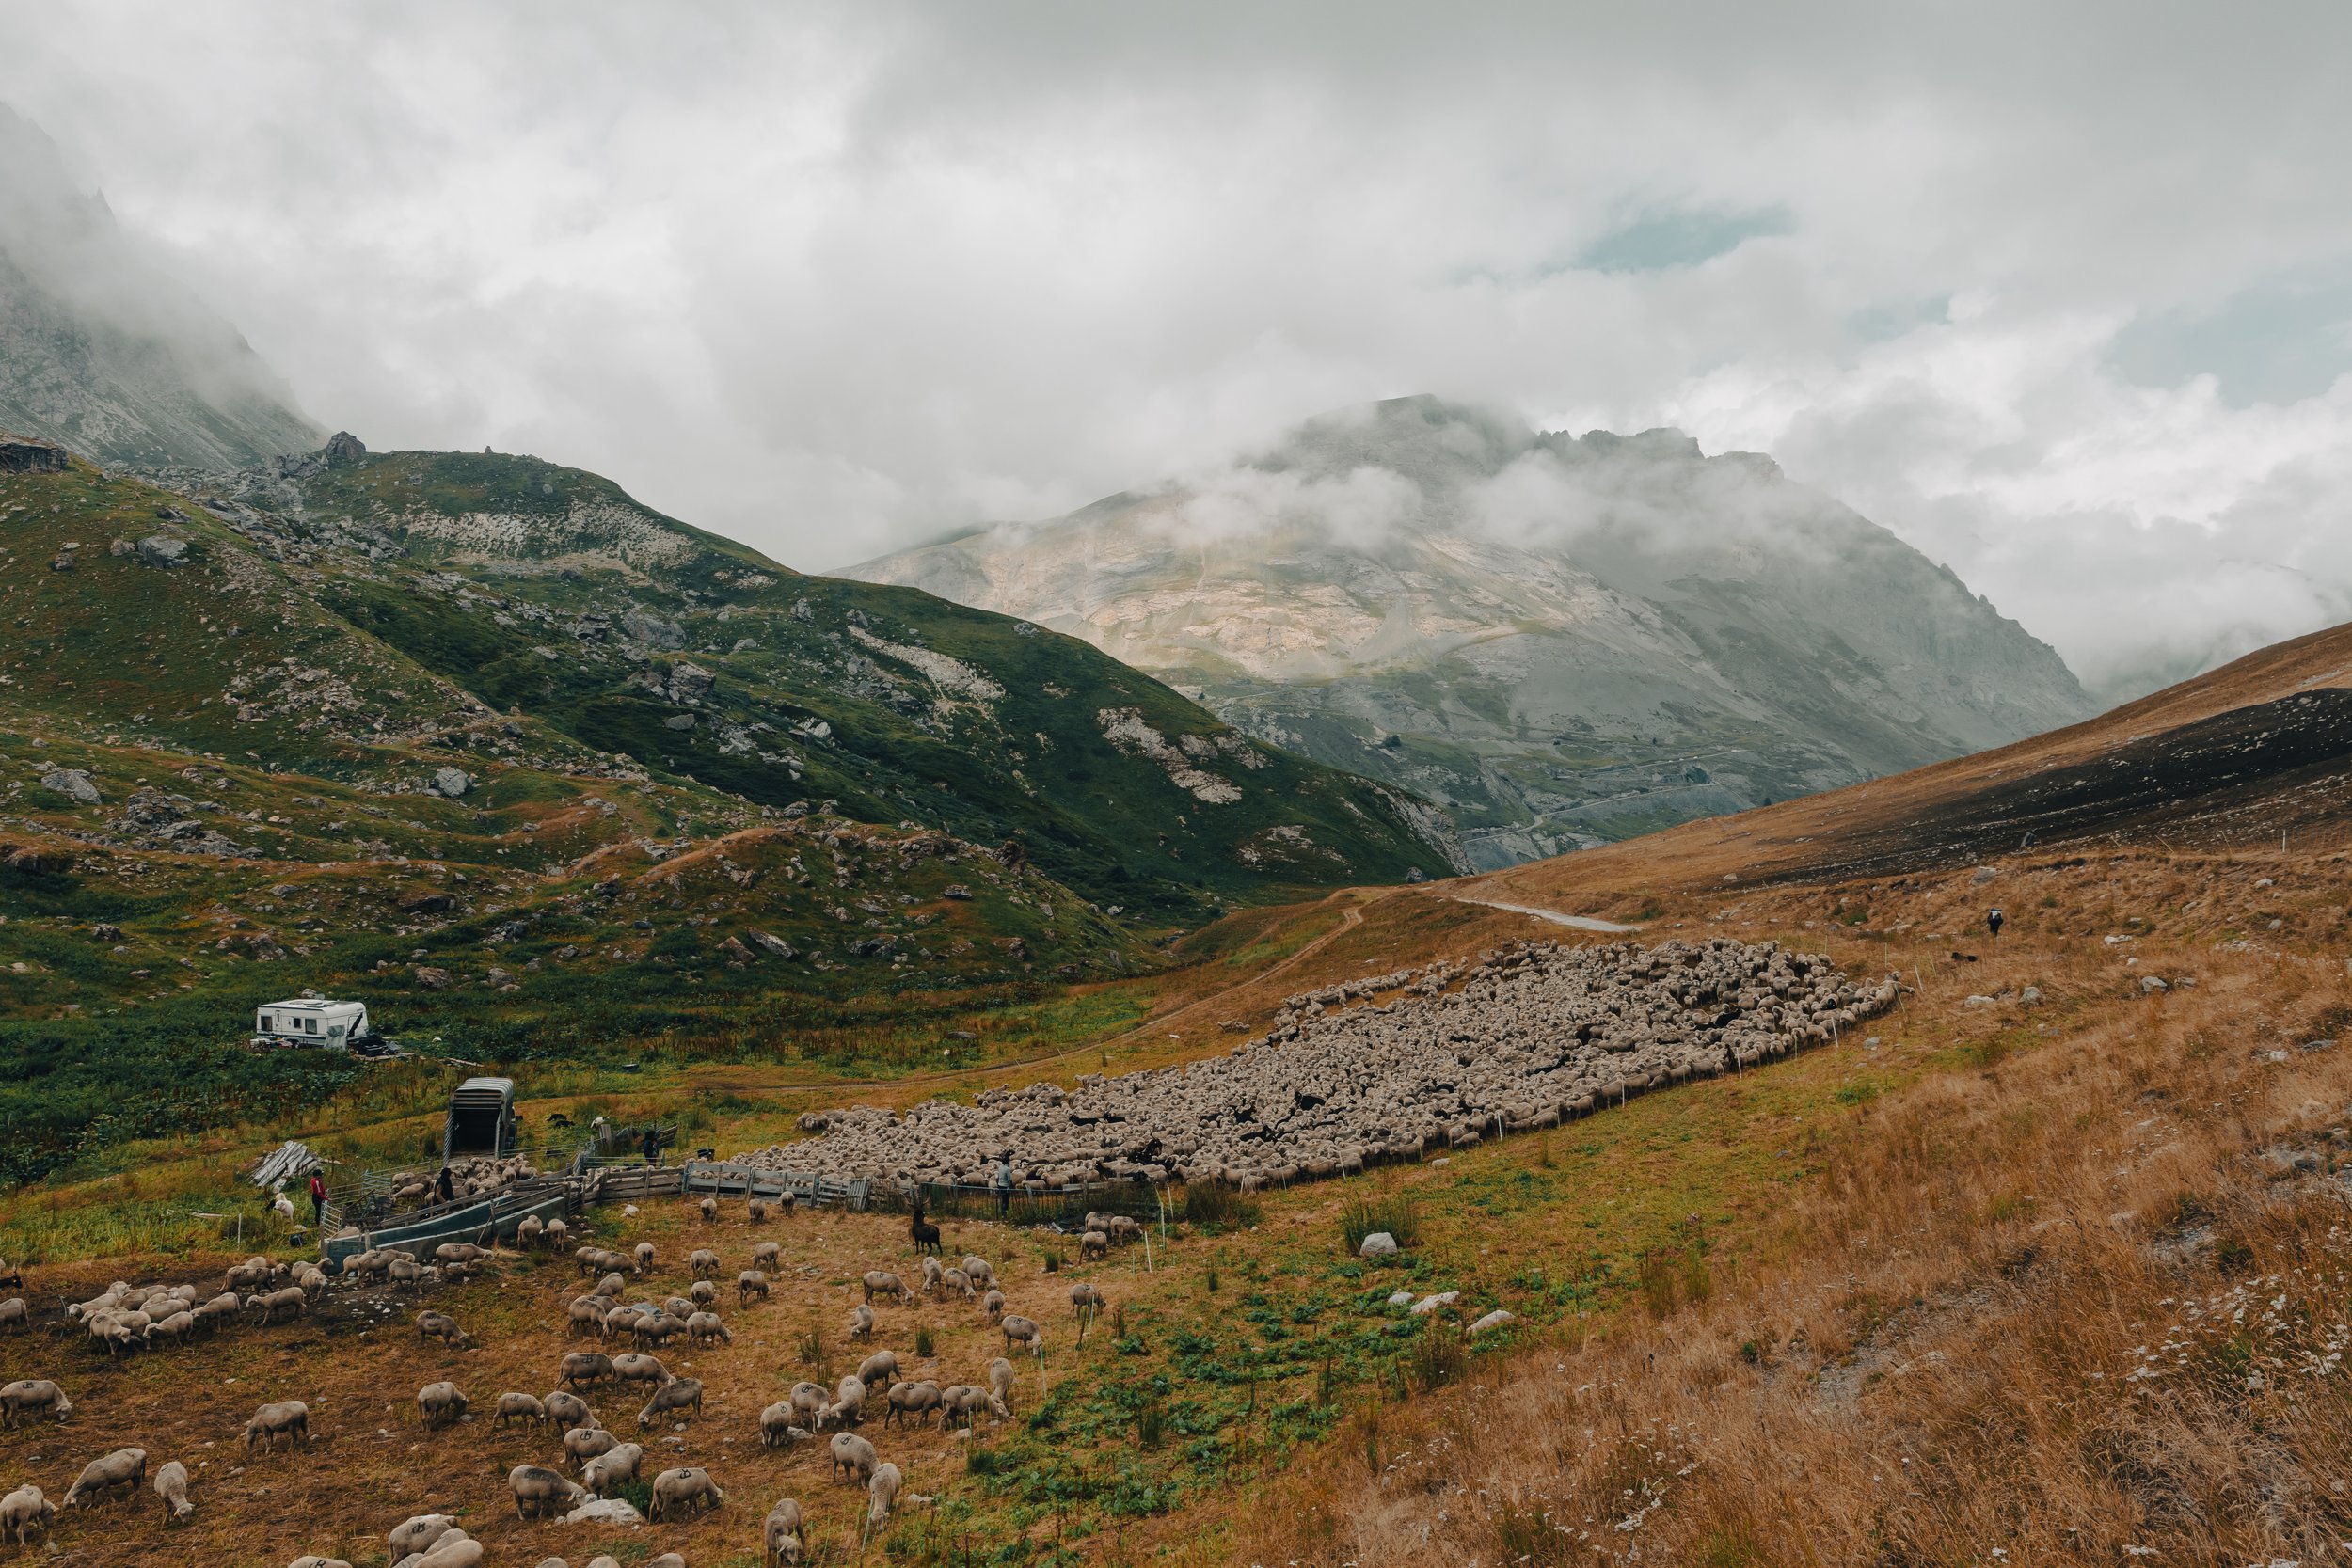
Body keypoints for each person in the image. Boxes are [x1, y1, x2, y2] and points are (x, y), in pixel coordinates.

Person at [993, 1151, 1014, 1217]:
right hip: (1005, 1186)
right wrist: (1011, 1186)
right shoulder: (1007, 1169)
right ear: (1007, 1162)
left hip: (1000, 1185)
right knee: (1006, 1200)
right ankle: (1004, 1213)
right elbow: (1009, 1179)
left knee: (1002, 1199)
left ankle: (1001, 1212)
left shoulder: (1000, 1167)